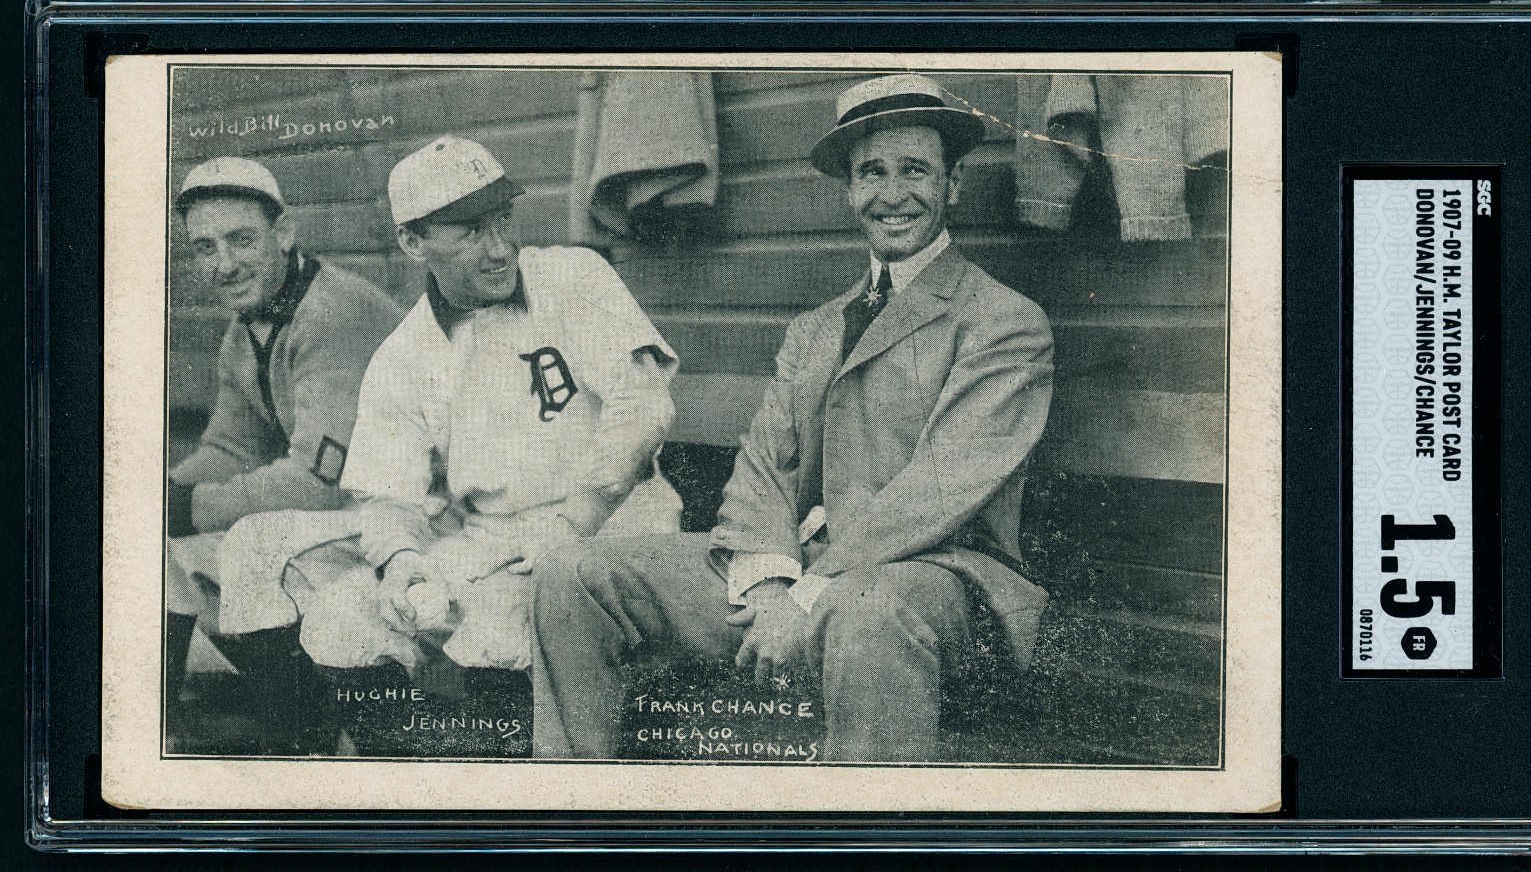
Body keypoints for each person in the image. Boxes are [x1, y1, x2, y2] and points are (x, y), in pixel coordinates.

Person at [526, 74, 1057, 762]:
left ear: (954, 183)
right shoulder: (814, 328)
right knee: (575, 575)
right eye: (871, 172)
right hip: (803, 572)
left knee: (863, 607)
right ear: (849, 190)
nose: (892, 194)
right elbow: (762, 469)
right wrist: (773, 582)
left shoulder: (1003, 321)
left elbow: (938, 488)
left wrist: (807, 592)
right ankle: (571, 809)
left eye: (915, 171)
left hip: (936, 579)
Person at [280, 136, 682, 755]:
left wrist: (576, 520)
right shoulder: (403, 356)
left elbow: (643, 407)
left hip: (619, 520)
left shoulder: (573, 277)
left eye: (502, 220)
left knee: (492, 623)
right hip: (496, 537)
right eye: (468, 231)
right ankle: (419, 788)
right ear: (414, 243)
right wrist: (401, 561)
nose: (499, 248)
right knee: (342, 616)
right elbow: (385, 495)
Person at [164, 157, 405, 754]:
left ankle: (326, 737)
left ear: (285, 232)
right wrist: (152, 496)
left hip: (406, 517)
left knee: (229, 549)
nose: (224, 265)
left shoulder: (335, 312)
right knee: (159, 549)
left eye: (241, 238)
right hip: (341, 514)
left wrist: (187, 506)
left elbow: (321, 482)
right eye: (205, 248)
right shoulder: (243, 331)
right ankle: (157, 727)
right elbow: (229, 446)